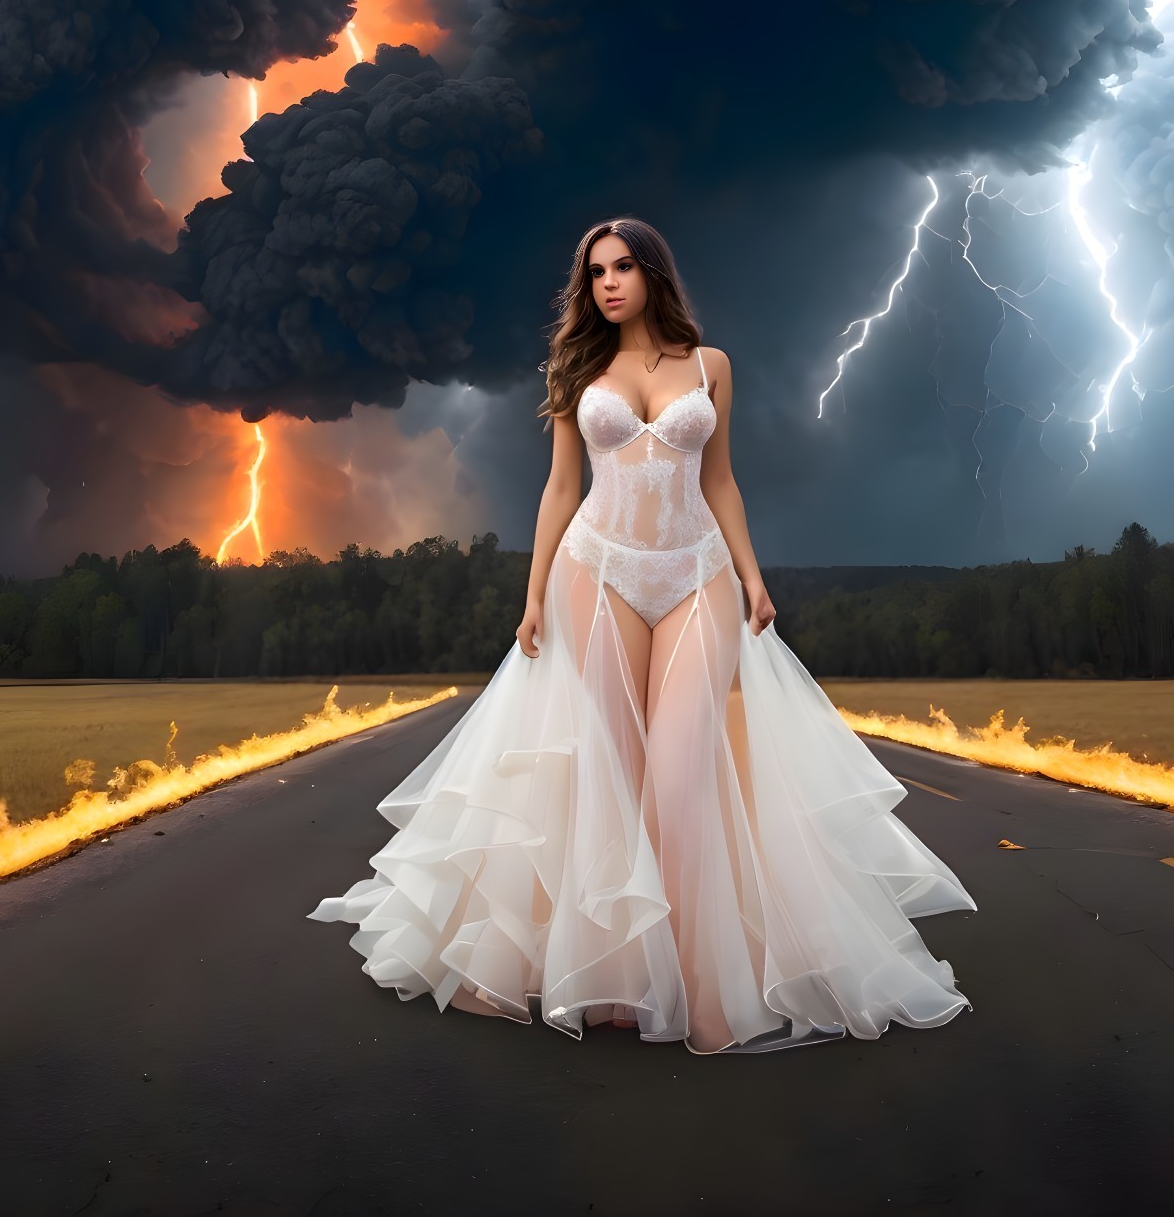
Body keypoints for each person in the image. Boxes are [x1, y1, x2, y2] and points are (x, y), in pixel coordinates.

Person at [309, 217, 974, 1053]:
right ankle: (619, 980)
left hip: (697, 571)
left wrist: (753, 576)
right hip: (595, 571)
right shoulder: (576, 368)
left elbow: (720, 480)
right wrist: (532, 597)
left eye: (623, 267)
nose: (608, 284)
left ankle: (698, 987)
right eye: (595, 273)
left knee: (681, 776)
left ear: (654, 274)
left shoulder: (711, 366)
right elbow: (560, 487)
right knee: (613, 776)